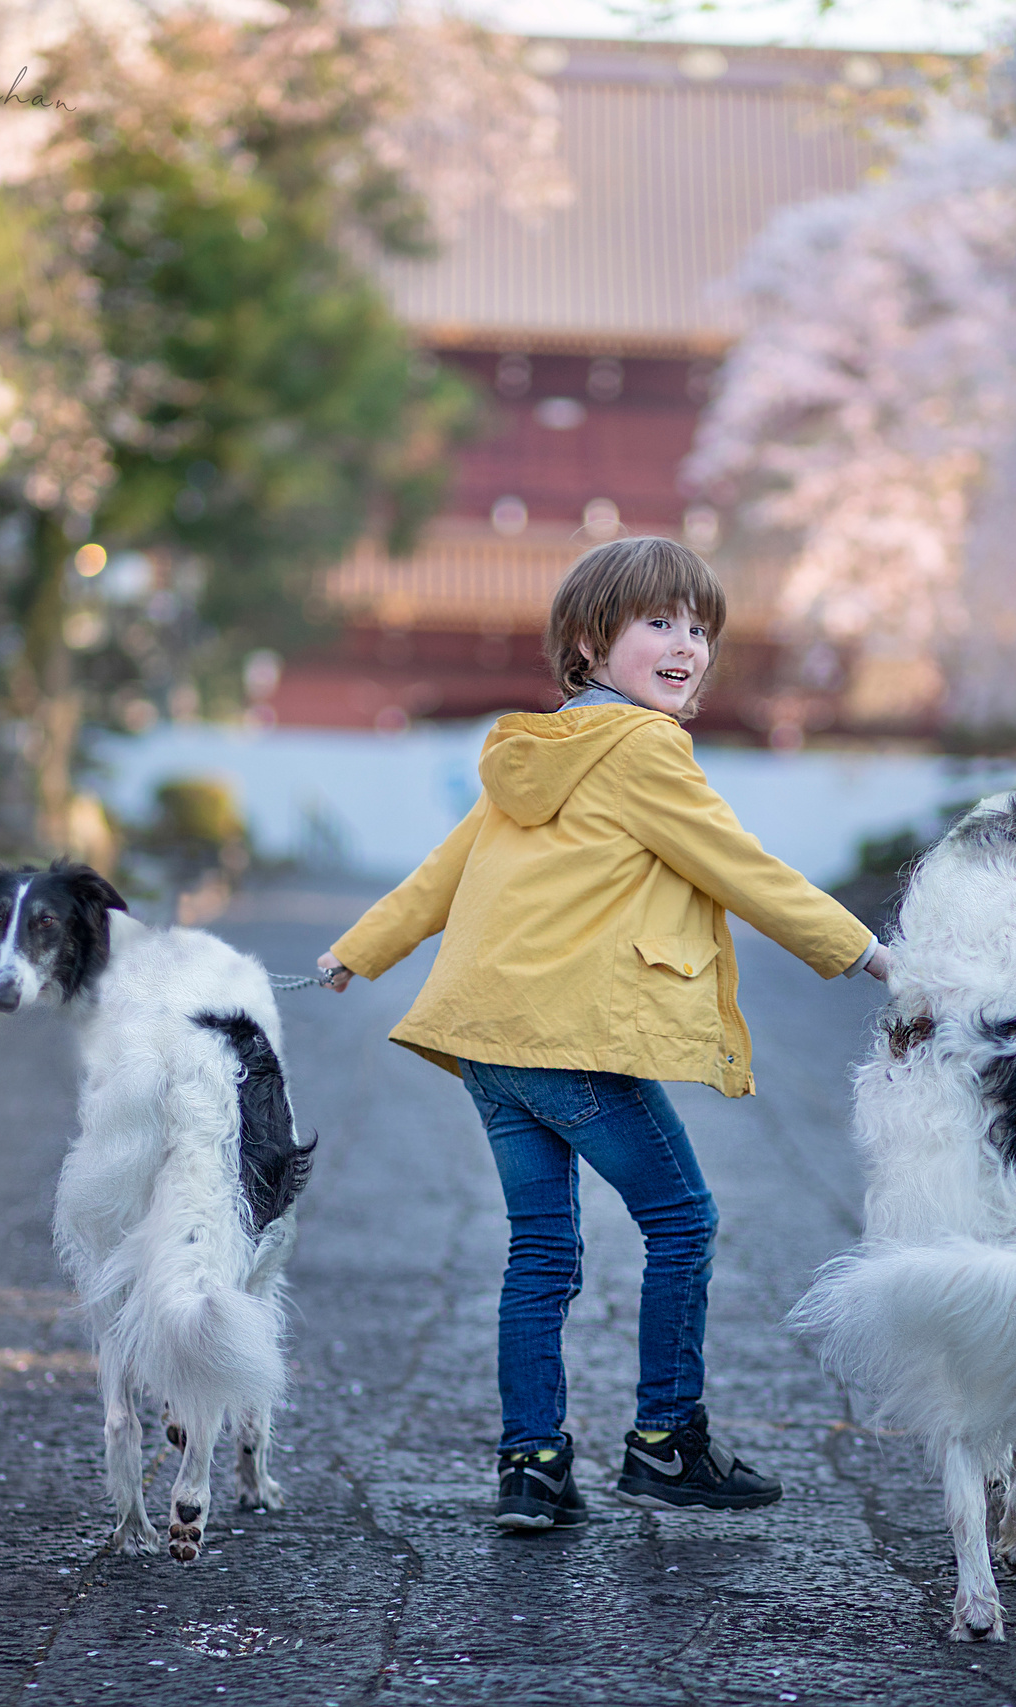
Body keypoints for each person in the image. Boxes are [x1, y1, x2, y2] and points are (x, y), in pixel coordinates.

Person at [313, 535, 893, 1530]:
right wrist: (876, 960)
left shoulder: (532, 753)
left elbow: (435, 879)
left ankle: (531, 1467)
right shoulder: (643, 749)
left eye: (699, 627)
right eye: (658, 624)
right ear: (588, 643)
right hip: (562, 1041)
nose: (687, 644)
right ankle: (666, 1442)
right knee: (684, 1221)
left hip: (487, 1042)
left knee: (540, 1250)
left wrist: (352, 952)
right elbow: (743, 869)